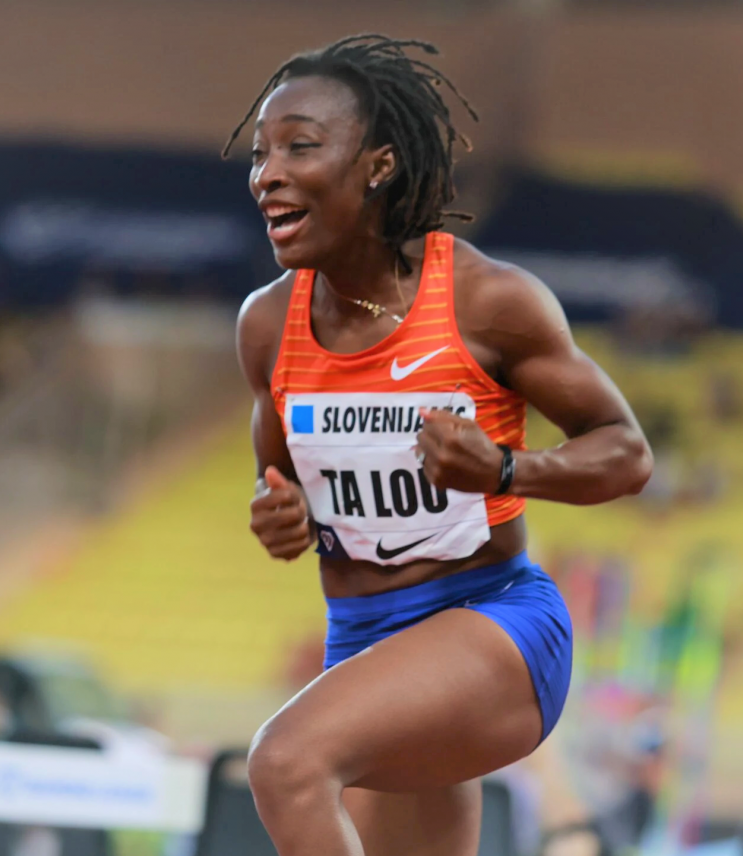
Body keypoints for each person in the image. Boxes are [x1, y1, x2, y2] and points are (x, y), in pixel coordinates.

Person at [230, 35, 653, 856]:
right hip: (364, 637)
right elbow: (278, 487)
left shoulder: (487, 302)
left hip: (492, 624)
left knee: (284, 762)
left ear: (379, 165)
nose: (267, 174)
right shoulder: (266, 324)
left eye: (300, 147)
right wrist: (277, 516)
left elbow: (626, 452)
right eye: (260, 153)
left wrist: (505, 468)